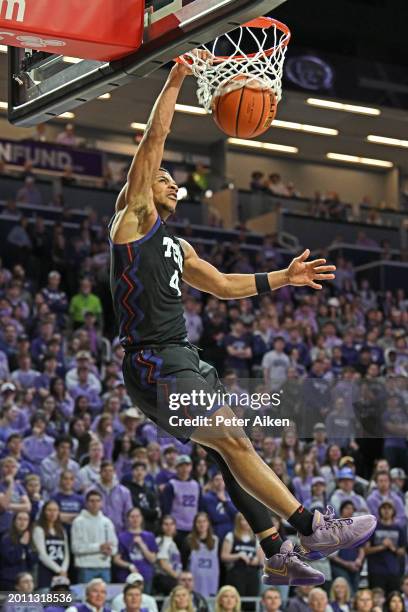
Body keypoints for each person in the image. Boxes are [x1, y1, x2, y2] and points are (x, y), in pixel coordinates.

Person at [108, 59, 375, 585]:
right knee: (233, 441)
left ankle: (274, 550)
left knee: (231, 449)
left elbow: (224, 286)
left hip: (184, 358)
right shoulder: (132, 218)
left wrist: (286, 276)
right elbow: (157, 134)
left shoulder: (177, 245)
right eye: (160, 175)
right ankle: (310, 525)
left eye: (169, 179)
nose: (168, 181)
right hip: (154, 361)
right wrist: (178, 76)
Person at [71, 489, 118, 583]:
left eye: (97, 501)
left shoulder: (107, 522)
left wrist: (110, 550)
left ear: (101, 503)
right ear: (87, 503)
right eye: (92, 501)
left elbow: (115, 547)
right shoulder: (78, 522)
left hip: (104, 567)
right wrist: (99, 547)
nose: (95, 504)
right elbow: (76, 548)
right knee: (85, 596)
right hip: (85, 567)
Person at [364, 500, 406, 594]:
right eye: (384, 508)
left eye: (389, 508)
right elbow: (366, 550)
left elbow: (403, 551)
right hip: (376, 571)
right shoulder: (373, 528)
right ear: (380, 510)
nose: (386, 511)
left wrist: (393, 548)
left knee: (393, 598)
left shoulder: (399, 529)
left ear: (393, 511)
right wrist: (382, 547)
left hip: (394, 571)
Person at [113, 507, 158, 592]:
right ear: (128, 519)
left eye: (137, 516)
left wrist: (142, 544)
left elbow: (152, 559)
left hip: (145, 575)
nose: (135, 519)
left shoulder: (149, 536)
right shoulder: (121, 536)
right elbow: (116, 559)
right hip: (126, 576)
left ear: (141, 518)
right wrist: (129, 565)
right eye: (132, 516)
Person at [221, 512, 262, 599]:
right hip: (235, 573)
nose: (246, 522)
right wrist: (238, 556)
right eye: (243, 519)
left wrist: (254, 561)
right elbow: (223, 556)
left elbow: (260, 560)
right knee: (236, 599)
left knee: (251, 601)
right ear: (238, 521)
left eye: (248, 519)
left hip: (252, 574)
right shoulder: (231, 536)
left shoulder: (256, 538)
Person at [32, 500, 70, 588]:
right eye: (49, 510)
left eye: (55, 510)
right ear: (44, 512)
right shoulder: (39, 529)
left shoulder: (61, 530)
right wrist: (58, 569)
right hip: (45, 570)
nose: (52, 513)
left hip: (61, 572)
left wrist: (63, 569)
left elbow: (66, 554)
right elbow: (42, 554)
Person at [182, 512, 219, 597]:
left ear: (208, 523)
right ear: (195, 524)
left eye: (204, 521)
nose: (202, 524)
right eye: (199, 522)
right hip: (194, 581)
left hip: (211, 582)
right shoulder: (188, 540)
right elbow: (183, 562)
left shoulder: (216, 540)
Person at [93, 460, 133, 534]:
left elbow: (128, 513)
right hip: (97, 530)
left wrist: (127, 531)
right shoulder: (91, 491)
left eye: (110, 471)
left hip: (119, 531)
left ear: (114, 472)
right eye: (105, 471)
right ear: (100, 472)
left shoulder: (124, 492)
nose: (108, 473)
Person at [0, 511, 37, 590]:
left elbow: (32, 562)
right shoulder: (6, 538)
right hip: (9, 581)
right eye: (19, 519)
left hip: (25, 581)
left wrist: (26, 547)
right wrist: (21, 545)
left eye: (25, 520)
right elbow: (10, 559)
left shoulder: (31, 538)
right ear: (14, 521)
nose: (22, 522)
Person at [154, 515, 182, 595]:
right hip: (165, 578)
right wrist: (177, 577)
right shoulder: (161, 541)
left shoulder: (172, 541)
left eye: (171, 524)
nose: (169, 527)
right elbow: (162, 563)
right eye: (166, 524)